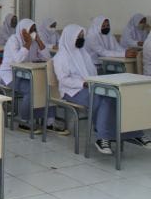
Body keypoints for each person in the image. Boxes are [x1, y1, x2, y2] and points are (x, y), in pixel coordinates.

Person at [55, 24, 151, 154]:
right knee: (103, 100)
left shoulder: (84, 53)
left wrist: (95, 82)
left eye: (82, 36)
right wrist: (83, 83)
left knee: (116, 97)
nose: (81, 39)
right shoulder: (60, 57)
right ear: (70, 37)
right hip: (72, 91)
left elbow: (92, 73)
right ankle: (103, 138)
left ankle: (132, 134)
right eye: (78, 37)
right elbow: (64, 80)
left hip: (90, 86)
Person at [0, 19, 69, 135]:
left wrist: (39, 41)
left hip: (28, 74)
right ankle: (24, 121)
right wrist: (27, 43)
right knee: (31, 88)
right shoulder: (14, 40)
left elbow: (47, 57)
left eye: (34, 30)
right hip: (11, 75)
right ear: (23, 31)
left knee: (48, 86)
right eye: (30, 30)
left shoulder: (35, 41)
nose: (33, 33)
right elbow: (18, 59)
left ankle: (49, 121)